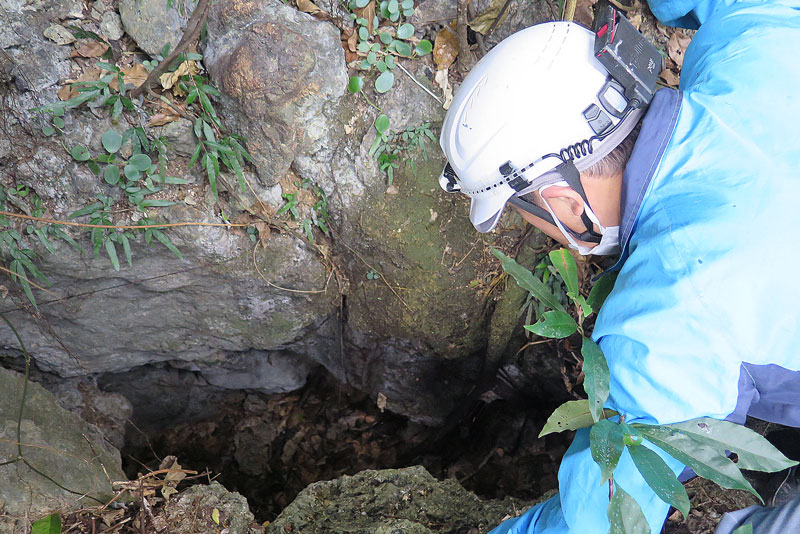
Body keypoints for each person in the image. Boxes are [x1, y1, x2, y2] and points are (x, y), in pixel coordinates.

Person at [437, 0, 800, 531]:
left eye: (526, 213)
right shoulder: (751, 40)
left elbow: (602, 521)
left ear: (564, 203)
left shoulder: (673, 314)